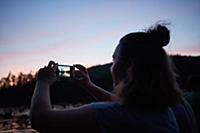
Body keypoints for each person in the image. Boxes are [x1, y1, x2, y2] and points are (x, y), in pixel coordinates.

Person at [30, 24, 198, 133]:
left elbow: (41, 119)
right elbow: (123, 106)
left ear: (129, 66)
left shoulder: (112, 115)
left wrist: (42, 81)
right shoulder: (162, 110)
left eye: (114, 60)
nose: (112, 66)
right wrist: (88, 85)